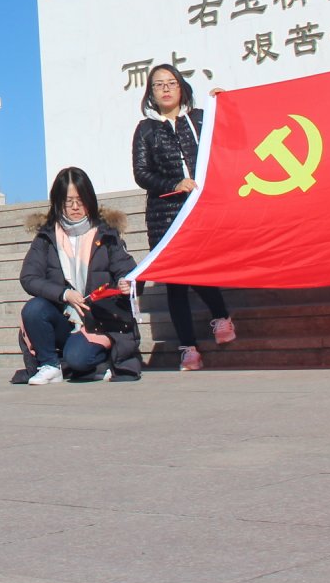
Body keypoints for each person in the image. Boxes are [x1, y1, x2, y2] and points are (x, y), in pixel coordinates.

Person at [131, 64, 234, 370]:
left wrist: (224, 106)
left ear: (181, 87)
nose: (165, 89)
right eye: (158, 84)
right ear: (150, 93)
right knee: (175, 281)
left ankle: (221, 316)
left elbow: (228, 138)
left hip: (201, 210)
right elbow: (142, 173)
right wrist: (174, 185)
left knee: (200, 270)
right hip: (165, 215)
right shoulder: (146, 129)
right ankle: (188, 348)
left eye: (171, 83)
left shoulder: (200, 119)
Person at [13, 166, 143, 385]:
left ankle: (100, 362)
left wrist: (127, 283)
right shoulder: (46, 236)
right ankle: (50, 365)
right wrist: (64, 294)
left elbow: (128, 271)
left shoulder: (106, 233)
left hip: (99, 320)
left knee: (78, 358)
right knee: (34, 309)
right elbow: (29, 277)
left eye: (80, 200)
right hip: (65, 317)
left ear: (89, 200)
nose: (75, 207)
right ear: (58, 202)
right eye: (68, 201)